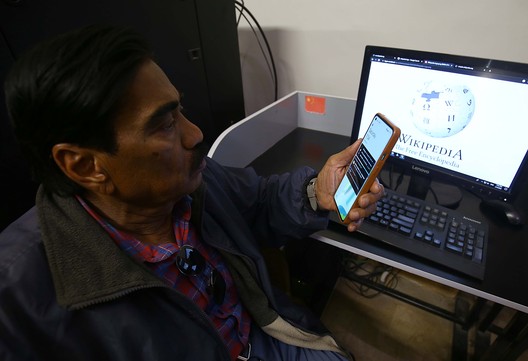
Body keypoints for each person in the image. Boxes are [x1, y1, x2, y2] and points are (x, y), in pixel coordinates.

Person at [0, 25, 383, 361]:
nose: (195, 134)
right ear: (85, 166)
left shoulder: (191, 181)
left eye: (179, 108)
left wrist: (318, 191)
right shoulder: (17, 304)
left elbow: (260, 200)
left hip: (264, 338)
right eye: (164, 124)